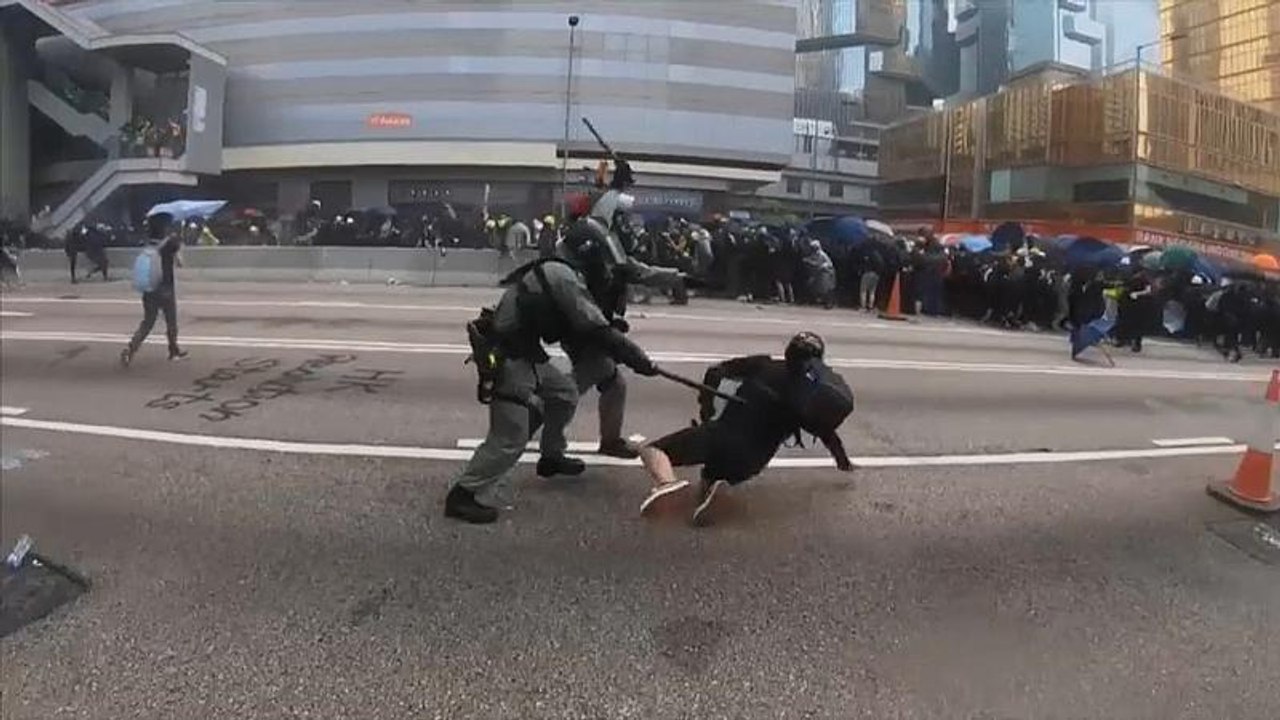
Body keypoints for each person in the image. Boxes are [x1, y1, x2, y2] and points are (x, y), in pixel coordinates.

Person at [444, 216, 661, 524]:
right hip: (509, 358)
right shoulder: (562, 276)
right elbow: (595, 326)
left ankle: (551, 456)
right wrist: (638, 358)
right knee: (510, 437)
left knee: (564, 392)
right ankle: (463, 495)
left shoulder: (561, 270)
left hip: (527, 353)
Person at [635, 332, 853, 526]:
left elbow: (716, 372)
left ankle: (668, 485)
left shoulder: (763, 365)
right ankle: (714, 489)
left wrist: (707, 409)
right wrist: (842, 460)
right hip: (752, 461)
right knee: (714, 472)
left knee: (652, 450)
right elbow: (826, 432)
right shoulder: (805, 400)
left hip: (720, 436)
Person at [120, 214, 187, 366]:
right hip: (166, 288)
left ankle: (131, 349)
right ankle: (173, 350)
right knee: (171, 321)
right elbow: (180, 263)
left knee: (148, 322)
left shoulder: (149, 243)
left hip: (150, 287)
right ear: (165, 227)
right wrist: (178, 245)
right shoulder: (171, 243)